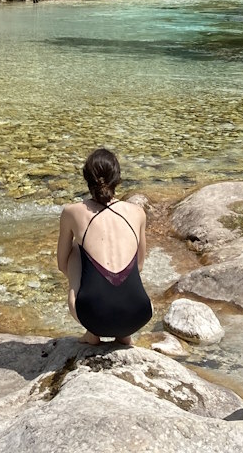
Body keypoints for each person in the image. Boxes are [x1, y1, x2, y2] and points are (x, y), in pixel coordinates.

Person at [56, 147, 151, 344]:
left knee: (74, 252)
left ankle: (92, 333)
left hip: (93, 317)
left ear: (87, 178)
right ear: (117, 179)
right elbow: (140, 265)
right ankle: (124, 335)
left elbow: (61, 264)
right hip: (138, 315)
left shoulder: (72, 212)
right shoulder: (137, 212)